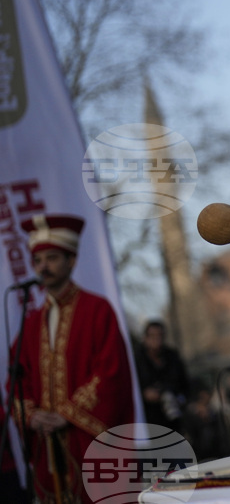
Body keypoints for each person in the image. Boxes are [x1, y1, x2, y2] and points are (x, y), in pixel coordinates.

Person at [10, 214, 134, 504]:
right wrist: (32, 415)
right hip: (47, 448)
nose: (43, 267)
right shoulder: (31, 323)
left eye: (52, 258)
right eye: (38, 261)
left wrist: (64, 414)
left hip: (88, 443)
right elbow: (17, 379)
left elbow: (111, 374)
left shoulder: (97, 310)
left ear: (72, 260)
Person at [133, 319, 190, 434]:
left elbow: (184, 384)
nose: (157, 340)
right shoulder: (137, 359)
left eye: (160, 336)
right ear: (145, 338)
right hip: (147, 419)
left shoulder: (172, 356)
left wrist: (173, 395)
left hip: (172, 417)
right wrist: (144, 394)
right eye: (153, 336)